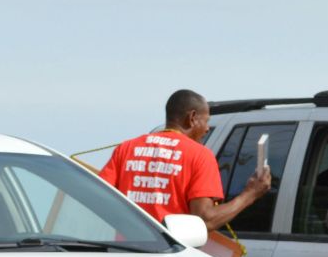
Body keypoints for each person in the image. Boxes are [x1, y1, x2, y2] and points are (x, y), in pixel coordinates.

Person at [100, 89, 271, 231]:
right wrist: (250, 194)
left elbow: (98, 199)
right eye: (206, 121)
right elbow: (204, 219)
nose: (207, 128)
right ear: (192, 117)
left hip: (125, 253)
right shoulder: (199, 156)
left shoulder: (127, 148)